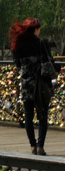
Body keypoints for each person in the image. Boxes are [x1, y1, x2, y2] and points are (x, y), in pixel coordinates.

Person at [10, 18, 59, 155]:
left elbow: (18, 65)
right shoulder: (41, 43)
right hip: (41, 84)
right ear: (36, 30)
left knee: (28, 116)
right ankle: (40, 145)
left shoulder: (17, 45)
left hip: (27, 84)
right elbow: (49, 61)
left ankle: (32, 145)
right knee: (43, 115)